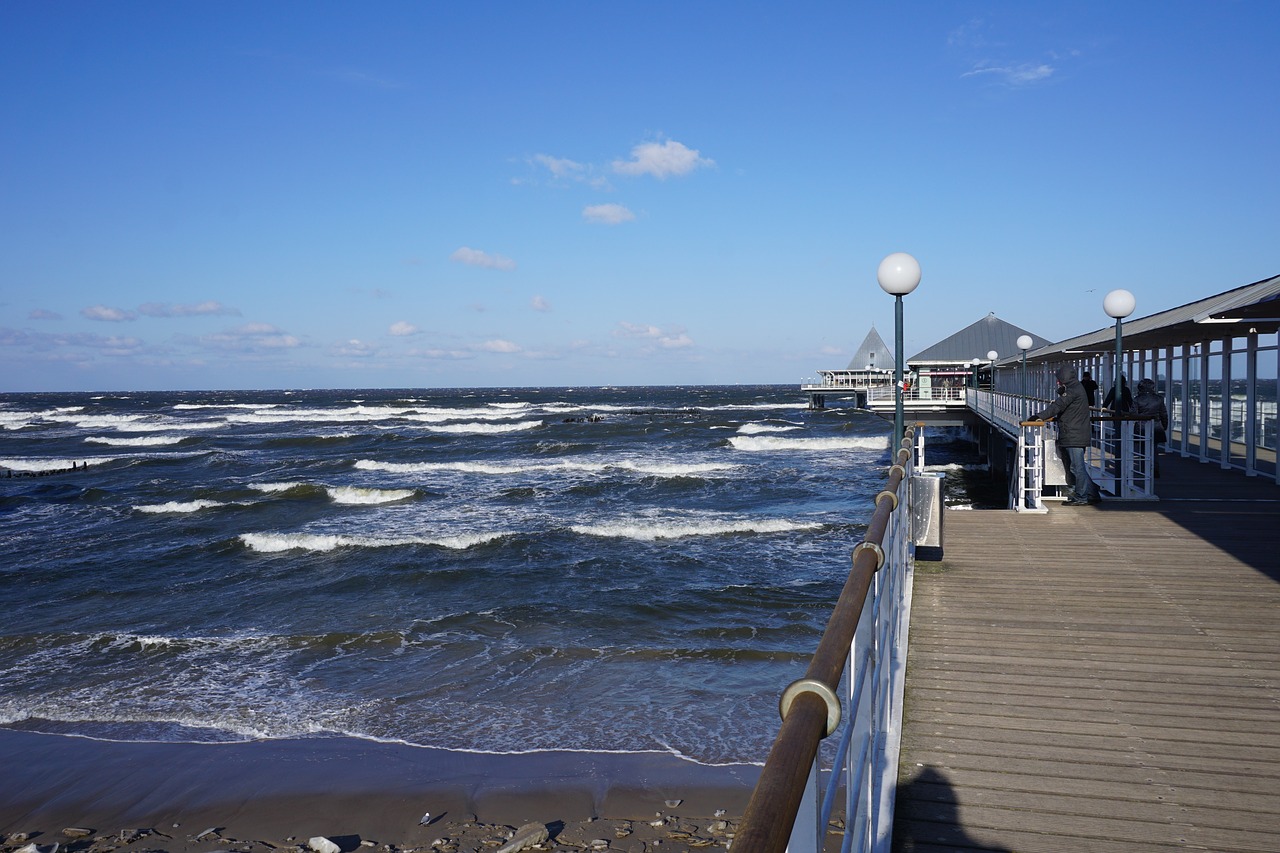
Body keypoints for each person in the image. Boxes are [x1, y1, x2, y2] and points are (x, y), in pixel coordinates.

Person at [1033, 365, 1101, 506]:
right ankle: (1093, 493)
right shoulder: (1076, 387)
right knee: (1077, 467)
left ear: (1064, 378)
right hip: (1076, 433)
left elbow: (1057, 406)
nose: (1058, 382)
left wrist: (1038, 416)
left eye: (1059, 379)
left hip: (1073, 434)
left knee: (1077, 467)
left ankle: (1082, 497)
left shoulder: (1072, 391)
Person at [1134, 378, 1169, 476]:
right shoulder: (1159, 399)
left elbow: (1133, 414)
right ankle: (1155, 469)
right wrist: (1164, 425)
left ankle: (1144, 470)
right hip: (1156, 426)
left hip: (1141, 427)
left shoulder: (1137, 399)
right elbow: (1164, 414)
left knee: (1143, 450)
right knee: (1154, 450)